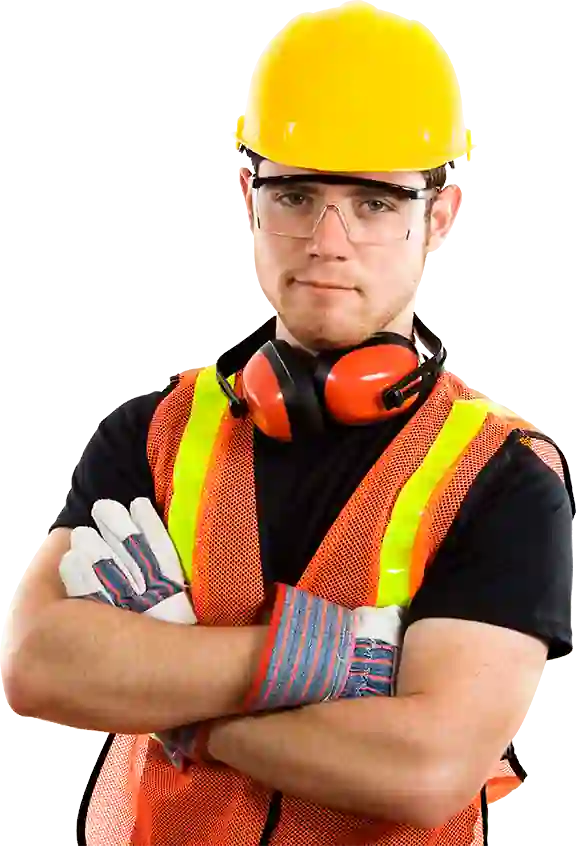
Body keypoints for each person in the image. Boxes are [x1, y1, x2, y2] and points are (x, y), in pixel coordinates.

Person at [4, 6, 574, 846]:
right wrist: (336, 660)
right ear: (248, 196)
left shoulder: (504, 479)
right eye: (296, 194)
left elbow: (423, 771)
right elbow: (37, 667)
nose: (328, 241)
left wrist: (179, 705)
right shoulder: (150, 435)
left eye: (376, 202)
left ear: (440, 217)